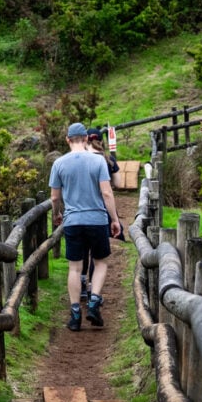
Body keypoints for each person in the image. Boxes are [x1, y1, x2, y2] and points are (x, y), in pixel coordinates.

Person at [50, 122, 121, 331]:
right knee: (100, 263)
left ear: (67, 140)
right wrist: (115, 219)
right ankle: (93, 303)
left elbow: (54, 197)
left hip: (73, 221)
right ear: (87, 138)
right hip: (97, 220)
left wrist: (57, 214)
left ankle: (75, 315)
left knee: (74, 267)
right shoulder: (98, 161)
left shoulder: (59, 163)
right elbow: (107, 193)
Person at [81, 127, 122, 302]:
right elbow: (118, 183)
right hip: (101, 210)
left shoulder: (80, 159)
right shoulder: (108, 160)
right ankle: (93, 288)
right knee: (97, 254)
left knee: (83, 248)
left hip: (82, 206)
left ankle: (81, 285)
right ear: (101, 140)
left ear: (86, 140)